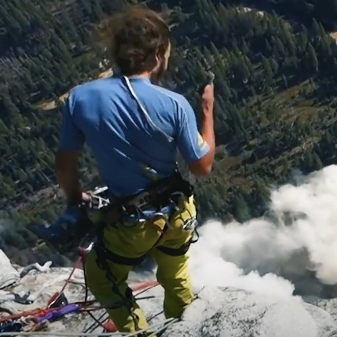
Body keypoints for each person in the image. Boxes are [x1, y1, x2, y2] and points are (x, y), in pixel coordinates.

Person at [55, 5, 215, 336]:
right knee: (175, 271)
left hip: (129, 223)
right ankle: (184, 326)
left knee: (102, 276)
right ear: (158, 54)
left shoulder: (80, 100)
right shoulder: (173, 103)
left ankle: (135, 329)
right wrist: (207, 111)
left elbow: (65, 163)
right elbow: (203, 166)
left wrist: (75, 200)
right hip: (176, 214)